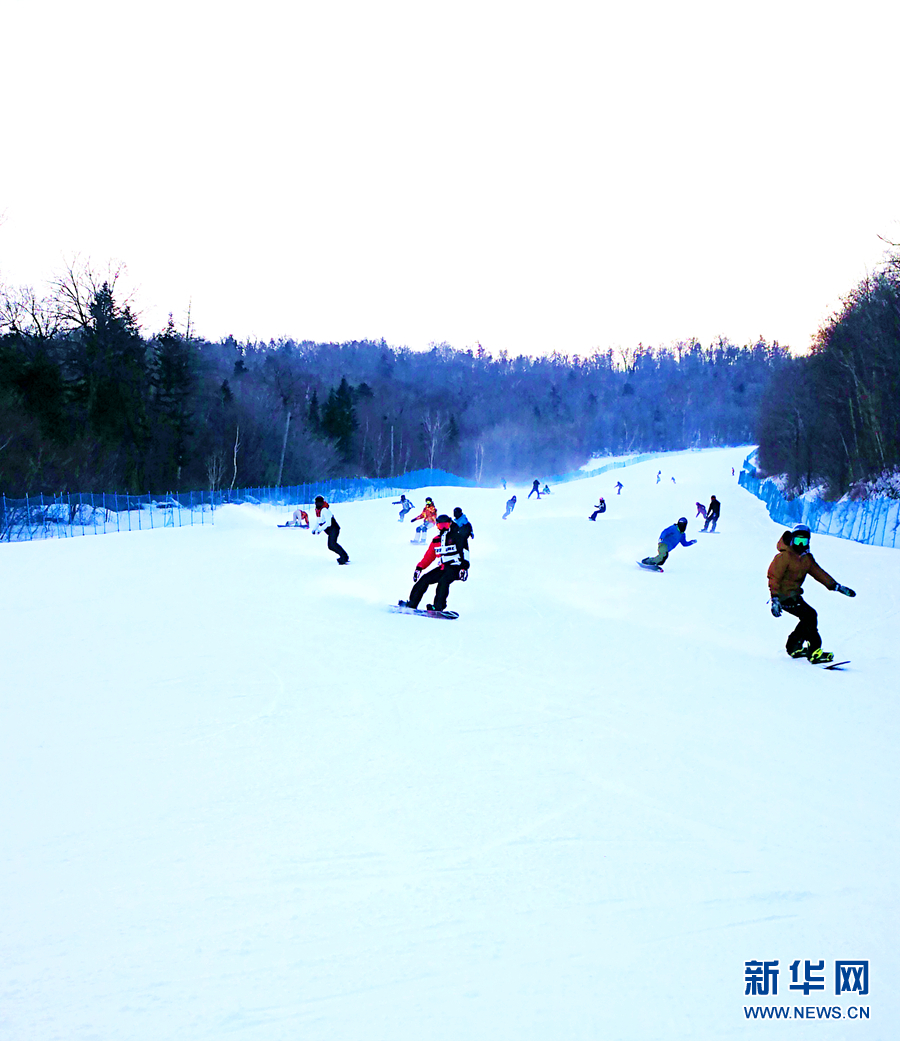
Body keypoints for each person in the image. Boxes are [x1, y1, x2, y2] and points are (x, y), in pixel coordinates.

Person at [767, 523, 856, 663]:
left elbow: (819, 573)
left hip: (795, 596)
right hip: (783, 597)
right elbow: (774, 577)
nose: (800, 544)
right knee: (809, 616)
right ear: (792, 540)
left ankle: (794, 647)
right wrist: (775, 599)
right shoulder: (784, 557)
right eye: (798, 541)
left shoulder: (806, 558)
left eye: (804, 541)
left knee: (808, 617)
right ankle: (814, 651)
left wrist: (836, 586)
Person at [398, 514, 470, 613]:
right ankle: (412, 603)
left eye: (445, 525)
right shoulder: (436, 540)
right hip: (443, 568)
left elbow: (465, 552)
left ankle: (438, 607)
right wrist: (419, 567)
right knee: (424, 579)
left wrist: (464, 568)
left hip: (456, 568)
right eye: (441, 526)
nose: (443, 528)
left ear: (450, 524)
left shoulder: (457, 537)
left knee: (444, 581)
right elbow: (429, 556)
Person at [311, 495, 349, 563]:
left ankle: (344, 557)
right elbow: (318, 521)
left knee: (332, 544)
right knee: (332, 545)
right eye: (316, 503)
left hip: (334, 528)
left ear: (322, 503)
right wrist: (314, 529)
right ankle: (344, 556)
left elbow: (328, 523)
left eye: (318, 503)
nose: (316, 504)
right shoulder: (318, 510)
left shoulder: (325, 510)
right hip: (330, 530)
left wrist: (319, 530)